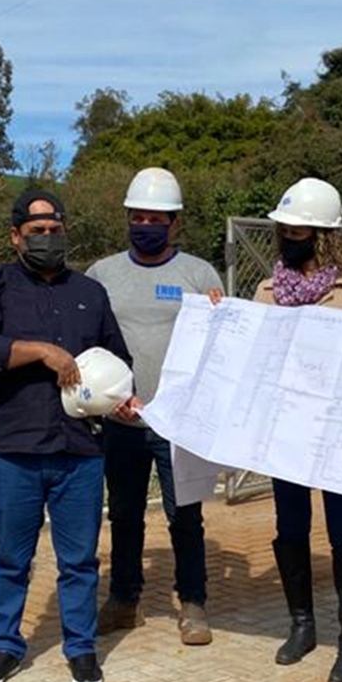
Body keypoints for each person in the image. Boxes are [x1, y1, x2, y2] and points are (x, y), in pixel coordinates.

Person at [0, 189, 135, 682]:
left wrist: (119, 395)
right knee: (11, 558)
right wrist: (39, 351)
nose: (47, 239)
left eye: (55, 231)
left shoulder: (90, 293)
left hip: (80, 450)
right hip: (16, 450)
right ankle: (5, 647)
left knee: (79, 560)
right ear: (16, 236)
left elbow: (119, 359)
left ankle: (81, 649)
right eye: (36, 232)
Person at [251, 177, 342, 682]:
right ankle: (302, 625)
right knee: (291, 526)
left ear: (323, 233)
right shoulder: (267, 290)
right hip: (287, 430)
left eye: (298, 228)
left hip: (341, 429)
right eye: (283, 228)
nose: (288, 236)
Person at [86, 168, 223, 646]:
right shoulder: (102, 274)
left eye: (156, 218)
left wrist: (219, 309)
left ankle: (193, 602)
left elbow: (220, 342)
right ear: (127, 217)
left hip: (177, 420)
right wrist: (108, 402)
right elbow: (91, 346)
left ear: (175, 224)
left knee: (185, 515)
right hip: (122, 418)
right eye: (138, 216)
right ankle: (124, 599)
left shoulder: (199, 274)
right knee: (123, 513)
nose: (145, 224)